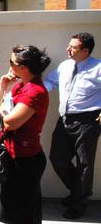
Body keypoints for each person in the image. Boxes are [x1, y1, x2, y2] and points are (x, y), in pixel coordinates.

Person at [43, 33, 101, 220]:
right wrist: (33, 90)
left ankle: (79, 204)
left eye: (73, 47)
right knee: (57, 158)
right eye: (69, 45)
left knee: (84, 164)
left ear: (85, 51)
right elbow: (51, 82)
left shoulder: (98, 68)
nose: (68, 49)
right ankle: (78, 192)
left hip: (88, 121)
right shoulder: (65, 66)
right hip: (65, 119)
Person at [0, 45, 51, 224]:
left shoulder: (35, 92)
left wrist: (4, 109)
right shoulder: (21, 87)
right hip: (14, 156)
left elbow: (10, 122)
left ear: (23, 67)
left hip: (25, 160)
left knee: (23, 213)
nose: (9, 65)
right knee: (12, 211)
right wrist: (3, 86)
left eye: (12, 62)